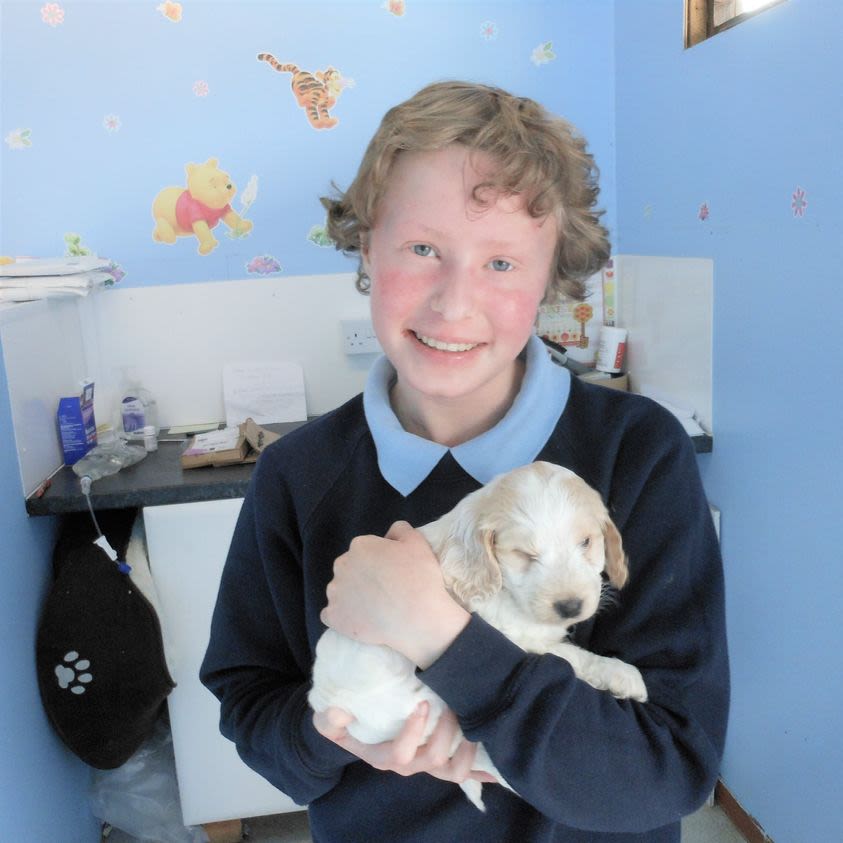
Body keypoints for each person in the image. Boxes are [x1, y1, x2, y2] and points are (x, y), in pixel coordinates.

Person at [200, 80, 729, 842]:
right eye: (422, 249)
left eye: (502, 262)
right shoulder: (295, 474)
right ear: (367, 247)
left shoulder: (637, 453)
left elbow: (670, 769)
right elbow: (251, 706)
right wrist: (336, 730)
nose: (454, 304)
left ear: (551, 276)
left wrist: (442, 637)